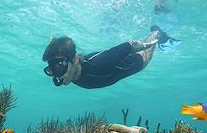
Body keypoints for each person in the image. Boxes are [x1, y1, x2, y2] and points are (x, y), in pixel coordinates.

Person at [42, 25, 180, 88]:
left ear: (74, 59)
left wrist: (147, 44)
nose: (57, 75)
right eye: (51, 69)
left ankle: (157, 32)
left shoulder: (100, 62)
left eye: (59, 66)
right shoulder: (72, 75)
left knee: (146, 58)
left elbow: (129, 45)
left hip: (133, 63)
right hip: (112, 71)